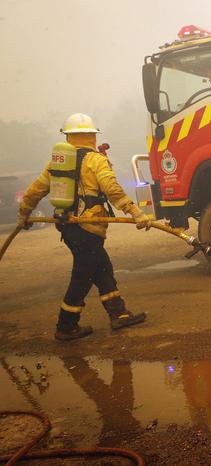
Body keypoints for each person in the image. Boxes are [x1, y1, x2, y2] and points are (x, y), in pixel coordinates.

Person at [17, 113, 152, 341]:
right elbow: (112, 189)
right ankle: (66, 325)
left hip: (68, 226)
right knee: (83, 276)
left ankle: (119, 313)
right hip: (89, 226)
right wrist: (135, 212)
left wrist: (24, 214)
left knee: (102, 268)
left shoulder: (57, 163)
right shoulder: (96, 160)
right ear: (91, 135)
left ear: (68, 137)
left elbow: (35, 190)